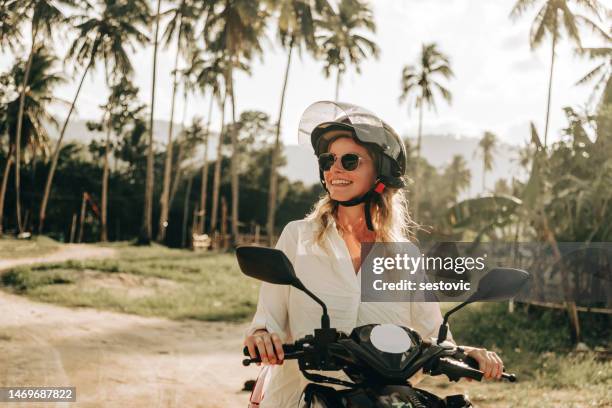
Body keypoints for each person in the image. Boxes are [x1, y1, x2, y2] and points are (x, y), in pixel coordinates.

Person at [244, 101, 503, 407]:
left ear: (381, 171)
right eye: (329, 160)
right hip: (303, 398)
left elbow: (434, 338)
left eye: (350, 160)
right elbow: (268, 321)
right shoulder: (298, 237)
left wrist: (466, 353)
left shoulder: (404, 257)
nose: (335, 169)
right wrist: (262, 335)